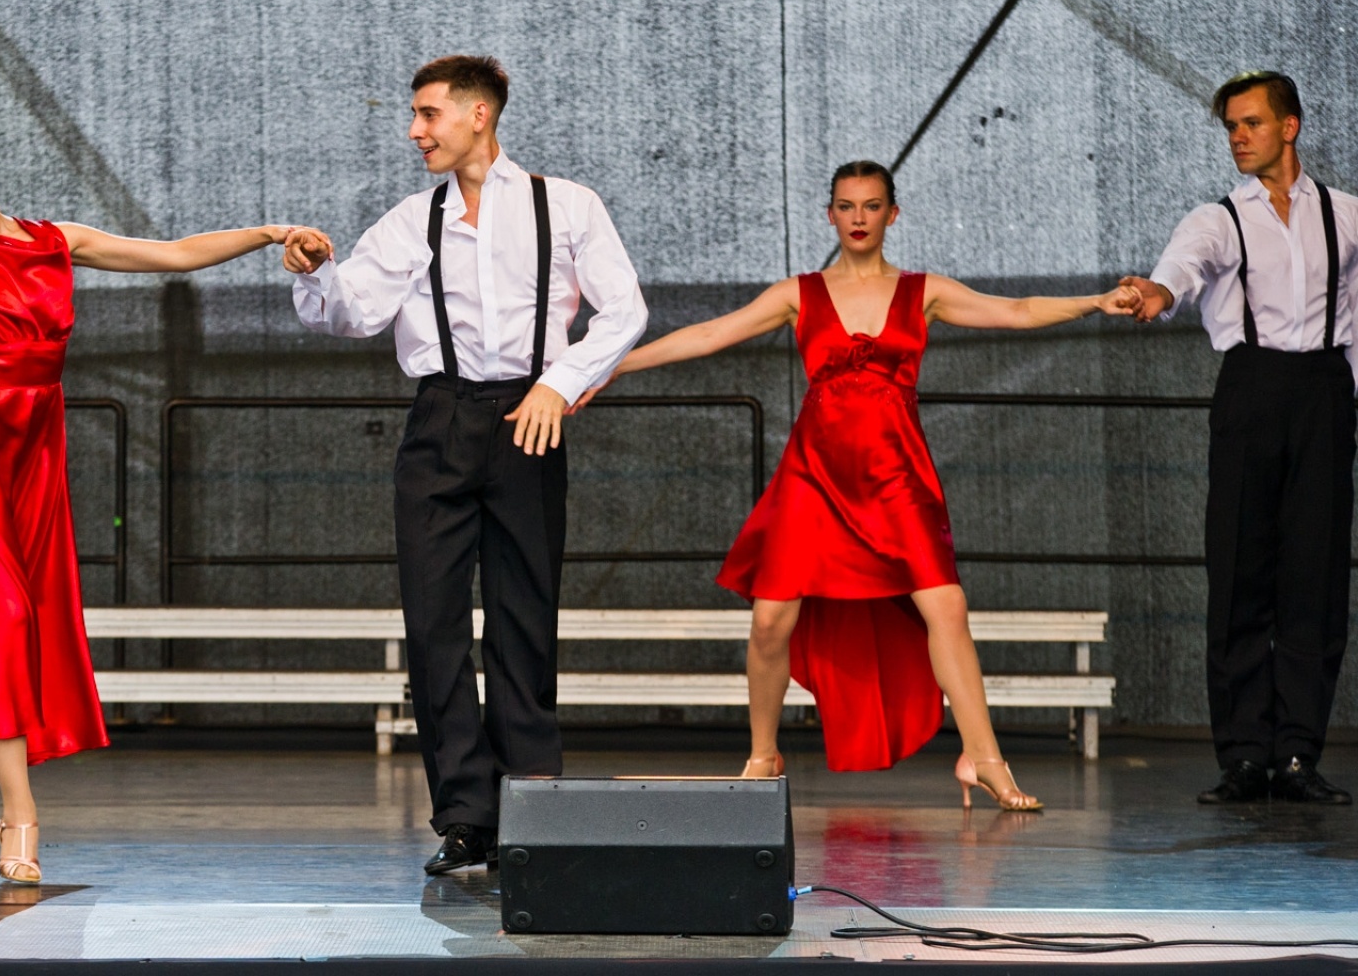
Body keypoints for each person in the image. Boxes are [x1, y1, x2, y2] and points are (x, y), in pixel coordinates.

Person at [0, 101, 333, 881]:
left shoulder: (55, 240)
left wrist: (273, 233)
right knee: (7, 614)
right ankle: (20, 816)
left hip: (33, 445)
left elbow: (174, 254)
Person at [581, 160, 1137, 810]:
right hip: (813, 477)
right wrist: (609, 366)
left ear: (891, 214)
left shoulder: (923, 291)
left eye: (872, 206)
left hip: (898, 477)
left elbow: (1016, 310)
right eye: (846, 206)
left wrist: (1095, 301)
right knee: (770, 619)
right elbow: (710, 334)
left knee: (946, 608)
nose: (859, 218)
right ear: (830, 215)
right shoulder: (799, 294)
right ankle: (762, 754)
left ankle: (983, 758)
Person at [286, 55, 647, 873]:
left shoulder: (567, 205)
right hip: (441, 418)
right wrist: (317, 271)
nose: (415, 131)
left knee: (524, 616)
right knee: (434, 621)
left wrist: (560, 383)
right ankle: (466, 815)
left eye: (428, 114)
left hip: (530, 415)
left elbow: (625, 309)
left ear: (477, 114)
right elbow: (352, 310)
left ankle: (532, 804)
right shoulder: (414, 218)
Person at [1121, 72, 1356, 806]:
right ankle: (1246, 756)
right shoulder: (1220, 217)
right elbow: (1183, 267)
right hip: (1251, 388)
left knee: (1315, 577)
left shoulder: (1346, 215)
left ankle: (1298, 755)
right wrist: (1158, 292)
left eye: (1251, 122)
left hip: (1324, 392)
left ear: (1290, 126)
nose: (1238, 137)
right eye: (1230, 126)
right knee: (1239, 572)